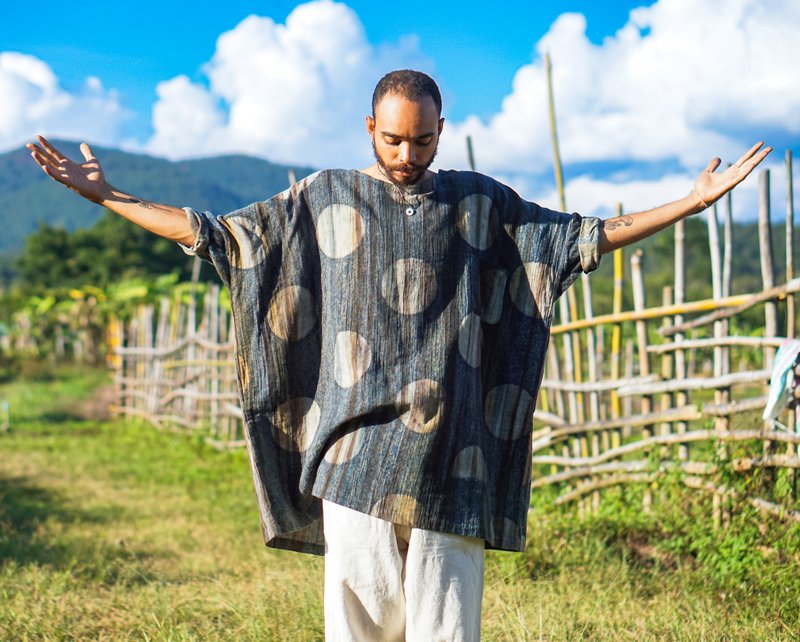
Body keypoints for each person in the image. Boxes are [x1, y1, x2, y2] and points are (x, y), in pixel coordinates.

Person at [29, 69, 770, 641]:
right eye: (392, 139)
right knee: (358, 630)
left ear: (442, 130)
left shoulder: (484, 204)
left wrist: (692, 202)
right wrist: (109, 196)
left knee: (447, 630)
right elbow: (219, 237)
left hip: (455, 461)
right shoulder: (324, 200)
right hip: (355, 461)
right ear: (369, 128)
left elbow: (581, 238)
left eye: (422, 140)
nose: (407, 154)